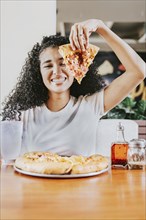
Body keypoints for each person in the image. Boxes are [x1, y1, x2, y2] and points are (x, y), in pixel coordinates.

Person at [1, 19, 145, 157]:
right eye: (48, 65)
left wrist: (100, 27)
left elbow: (138, 71)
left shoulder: (91, 105)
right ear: (38, 73)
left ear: (75, 67)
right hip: (33, 182)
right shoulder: (23, 114)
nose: (57, 71)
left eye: (63, 63)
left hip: (82, 181)